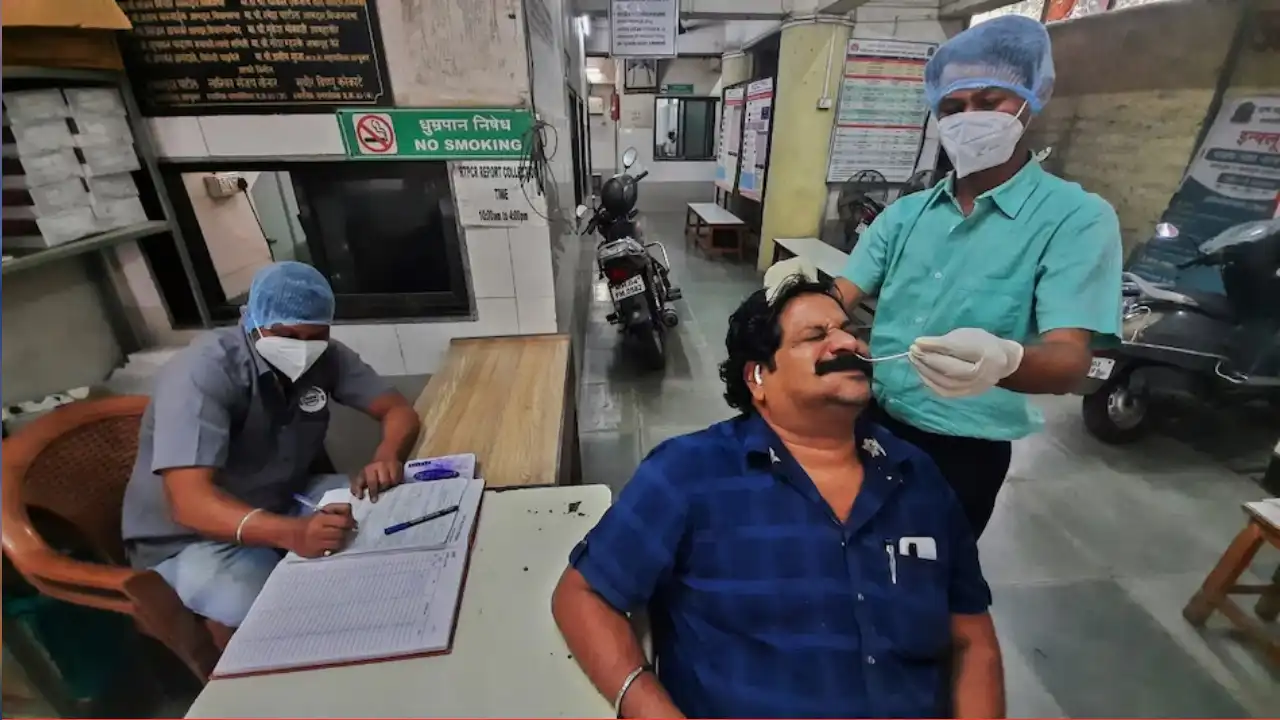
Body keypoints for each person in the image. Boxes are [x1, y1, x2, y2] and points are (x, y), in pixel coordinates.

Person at [552, 275, 1004, 719]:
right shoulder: (689, 474)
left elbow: (973, 639)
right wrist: (647, 707)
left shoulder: (917, 478)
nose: (848, 343)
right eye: (816, 336)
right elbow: (582, 594)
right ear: (758, 377)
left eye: (849, 330)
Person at [824, 15, 1122, 538]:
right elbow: (839, 297)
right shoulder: (906, 214)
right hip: (873, 421)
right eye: (952, 107)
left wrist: (1005, 361)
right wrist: (802, 304)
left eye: (989, 101)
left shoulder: (1075, 219)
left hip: (963, 452)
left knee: (931, 568)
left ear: (1030, 99)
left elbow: (1070, 362)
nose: (969, 119)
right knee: (851, 544)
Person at [121, 262, 421, 635]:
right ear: (255, 321)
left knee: (385, 515)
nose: (302, 349)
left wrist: (386, 454)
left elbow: (397, 410)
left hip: (284, 496)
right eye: (288, 335)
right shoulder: (203, 372)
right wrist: (293, 533)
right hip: (193, 537)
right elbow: (189, 503)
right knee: (286, 609)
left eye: (315, 335)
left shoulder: (325, 356)